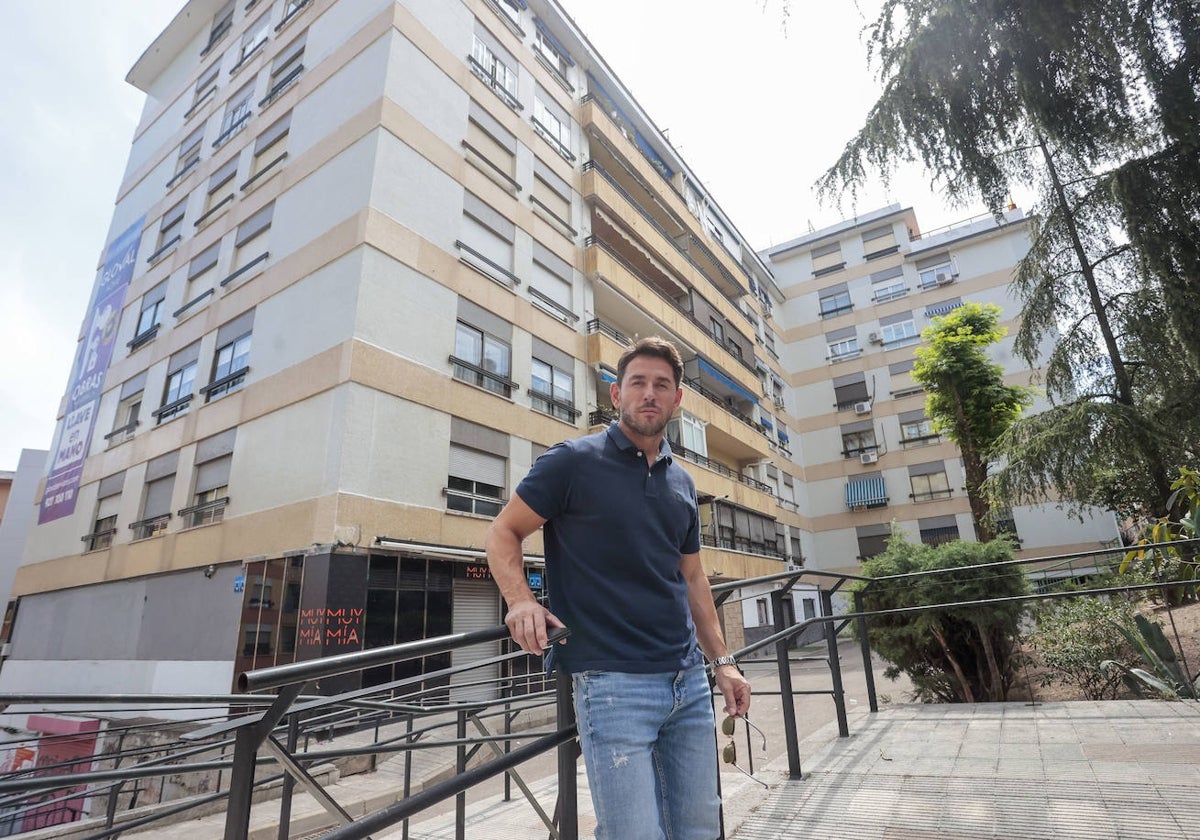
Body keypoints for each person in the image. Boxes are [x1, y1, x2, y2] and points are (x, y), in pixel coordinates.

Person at [486, 336, 751, 840]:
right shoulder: (571, 461)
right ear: (616, 394)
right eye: (637, 383)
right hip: (612, 685)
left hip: (688, 683)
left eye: (661, 385)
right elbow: (503, 531)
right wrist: (521, 600)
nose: (649, 393)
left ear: (676, 401)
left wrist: (723, 662)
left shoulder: (684, 484)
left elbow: (692, 576)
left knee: (700, 828)